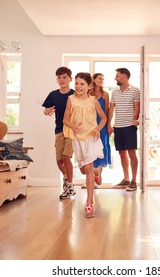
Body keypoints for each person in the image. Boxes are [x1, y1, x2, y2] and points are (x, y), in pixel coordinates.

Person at [63, 72, 106, 218]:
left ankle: (89, 204)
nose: (78, 86)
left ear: (89, 86)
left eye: (82, 84)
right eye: (77, 83)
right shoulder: (71, 99)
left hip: (91, 138)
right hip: (78, 139)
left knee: (87, 168)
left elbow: (104, 118)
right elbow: (65, 120)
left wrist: (97, 129)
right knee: (84, 170)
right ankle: (96, 172)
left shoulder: (93, 100)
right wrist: (72, 125)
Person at [42, 66, 75, 200]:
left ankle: (70, 185)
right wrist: (47, 111)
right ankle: (67, 180)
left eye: (64, 77)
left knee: (66, 157)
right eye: (59, 77)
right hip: (59, 130)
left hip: (71, 131)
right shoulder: (53, 94)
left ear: (70, 79)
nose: (61, 79)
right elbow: (45, 110)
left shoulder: (74, 94)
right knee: (59, 160)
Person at [107, 68, 140, 191]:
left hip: (129, 126)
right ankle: (126, 179)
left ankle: (134, 181)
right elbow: (111, 109)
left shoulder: (135, 91)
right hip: (118, 126)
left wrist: (135, 120)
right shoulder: (114, 92)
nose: (115, 78)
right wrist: (109, 124)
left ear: (124, 77)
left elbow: (137, 107)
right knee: (121, 153)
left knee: (132, 153)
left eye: (117, 76)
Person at [88, 73, 111, 187]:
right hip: (90, 125)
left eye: (103, 79)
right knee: (90, 147)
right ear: (94, 80)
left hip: (102, 124)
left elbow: (106, 111)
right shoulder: (88, 93)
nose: (102, 80)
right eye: (99, 78)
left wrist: (108, 125)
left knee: (102, 148)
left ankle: (99, 173)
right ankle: (93, 172)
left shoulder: (105, 94)